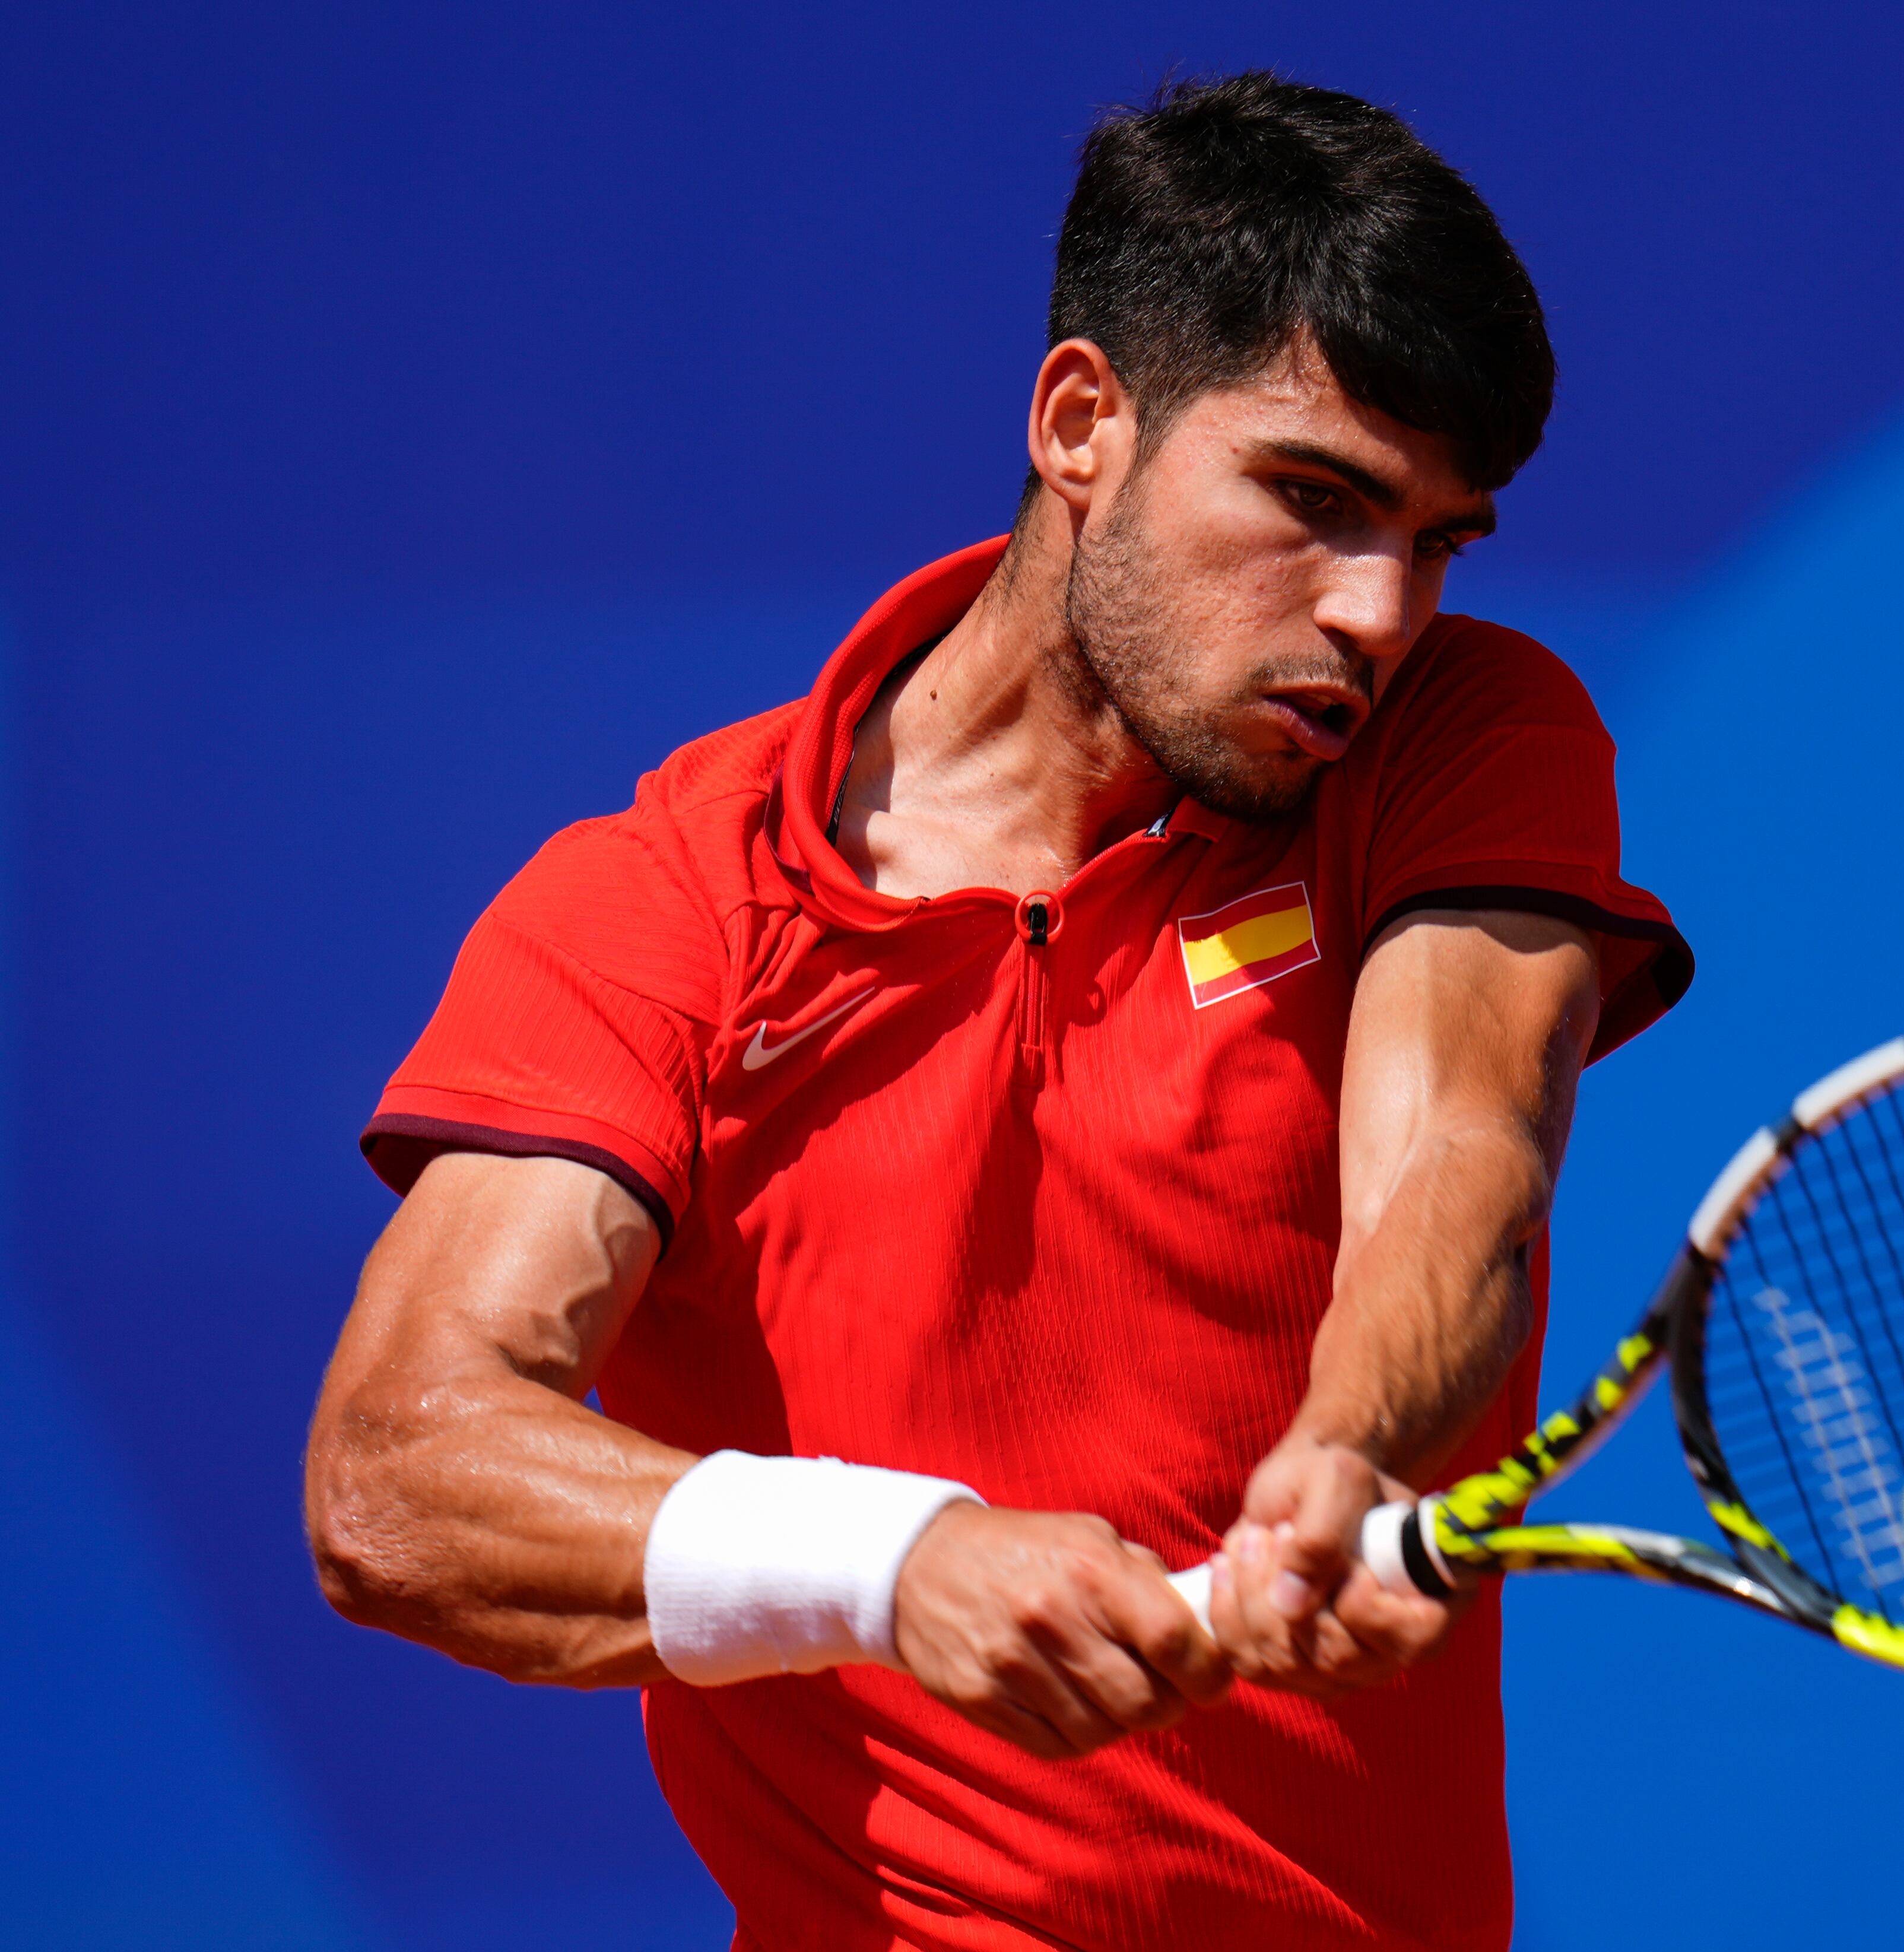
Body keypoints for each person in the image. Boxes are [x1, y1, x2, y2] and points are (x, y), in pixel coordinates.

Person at [303, 71, 1689, 1952]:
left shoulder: (1461, 733)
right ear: (1083, 424)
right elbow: (396, 1469)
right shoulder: (670, 911)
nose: (1378, 611)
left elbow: (1460, 1144)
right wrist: (892, 1562)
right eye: (1314, 498)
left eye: (1441, 540)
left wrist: (1349, 1446)